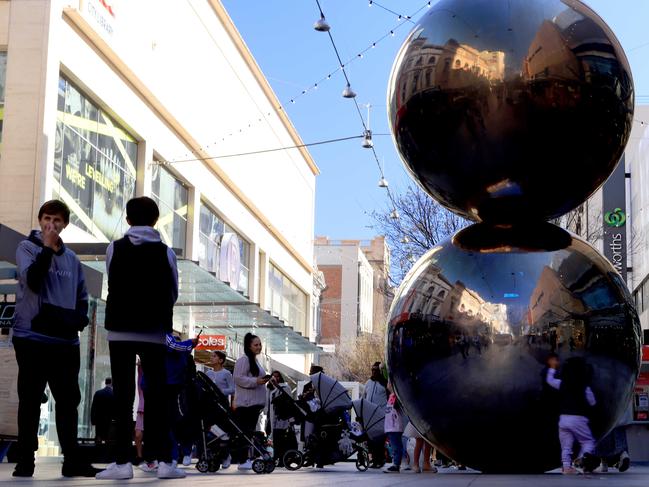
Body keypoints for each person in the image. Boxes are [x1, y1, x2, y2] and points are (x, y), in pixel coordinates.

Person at [96, 196, 185, 480]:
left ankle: (122, 464)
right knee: (157, 398)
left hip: (120, 330)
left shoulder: (115, 248)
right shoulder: (166, 252)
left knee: (123, 397)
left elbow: (113, 279)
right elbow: (173, 291)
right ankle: (162, 462)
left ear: (128, 219)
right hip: (154, 332)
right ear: (156, 221)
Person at [12, 199, 100, 478]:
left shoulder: (72, 259)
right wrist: (47, 249)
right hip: (32, 338)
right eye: (48, 219)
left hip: (65, 343)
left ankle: (72, 460)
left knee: (68, 401)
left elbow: (82, 297)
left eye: (58, 221)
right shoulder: (26, 247)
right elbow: (33, 281)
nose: (52, 225)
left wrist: (78, 321)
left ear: (65, 225)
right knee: (30, 400)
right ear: (40, 220)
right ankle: (25, 460)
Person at [546, 356, 598, 474]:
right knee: (588, 442)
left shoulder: (561, 383)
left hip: (563, 419)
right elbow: (592, 402)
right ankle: (581, 460)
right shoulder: (584, 387)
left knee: (566, 446)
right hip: (578, 418)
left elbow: (550, 380)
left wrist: (552, 367)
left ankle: (566, 467)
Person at [233, 332, 270, 470]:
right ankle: (242, 460)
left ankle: (245, 458)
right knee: (246, 432)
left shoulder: (255, 361)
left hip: (254, 404)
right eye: (256, 345)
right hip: (247, 404)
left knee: (248, 432)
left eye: (260, 344)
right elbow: (238, 378)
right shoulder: (244, 360)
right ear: (249, 346)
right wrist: (256, 381)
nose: (259, 347)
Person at [266, 371, 297, 467]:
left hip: (282, 418)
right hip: (272, 417)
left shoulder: (285, 387)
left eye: (277, 376)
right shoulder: (269, 389)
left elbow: (288, 401)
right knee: (275, 438)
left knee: (281, 438)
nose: (275, 378)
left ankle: (282, 458)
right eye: (273, 376)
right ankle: (277, 457)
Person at [364, 361, 387, 468]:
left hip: (380, 415)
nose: (373, 372)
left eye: (376, 370)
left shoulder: (385, 383)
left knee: (379, 439)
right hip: (369, 415)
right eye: (372, 370)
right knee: (370, 439)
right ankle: (374, 459)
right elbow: (364, 397)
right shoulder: (368, 383)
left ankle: (380, 459)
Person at [383, 384, 404, 473]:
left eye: (390, 382)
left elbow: (397, 407)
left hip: (395, 426)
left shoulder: (397, 395)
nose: (388, 384)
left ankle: (396, 465)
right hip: (390, 427)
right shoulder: (391, 396)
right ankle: (395, 463)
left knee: (396, 446)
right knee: (394, 446)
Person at [90, 378, 115, 445]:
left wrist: (93, 420)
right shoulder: (113, 394)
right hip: (109, 420)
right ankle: (107, 454)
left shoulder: (98, 393)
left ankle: (98, 452)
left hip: (99, 420)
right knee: (108, 438)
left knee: (98, 437)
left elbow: (93, 408)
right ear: (112, 383)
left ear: (105, 383)